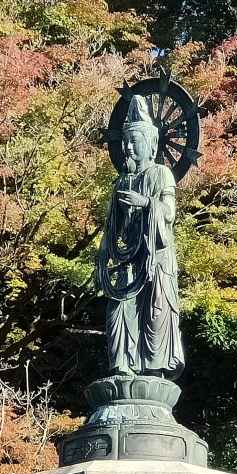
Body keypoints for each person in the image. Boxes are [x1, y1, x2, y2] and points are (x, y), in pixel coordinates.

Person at [96, 95, 184, 379]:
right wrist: (105, 250)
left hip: (155, 258)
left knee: (155, 312)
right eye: (125, 142)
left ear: (152, 144)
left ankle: (152, 370)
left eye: (135, 142)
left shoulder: (162, 174)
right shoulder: (122, 180)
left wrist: (146, 204)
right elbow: (113, 227)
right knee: (119, 307)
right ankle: (122, 365)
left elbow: (168, 214)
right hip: (126, 258)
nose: (128, 148)